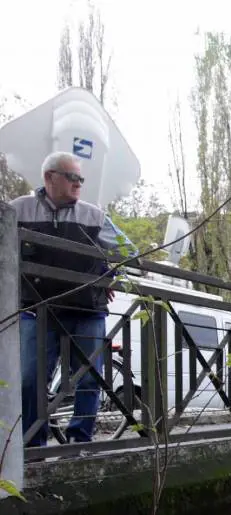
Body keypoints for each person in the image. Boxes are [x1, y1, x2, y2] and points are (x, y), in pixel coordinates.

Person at [10, 151, 133, 446]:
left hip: (86, 308)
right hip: (38, 309)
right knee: (30, 378)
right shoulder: (17, 210)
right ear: (49, 177)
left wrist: (108, 276)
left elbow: (128, 251)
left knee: (89, 378)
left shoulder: (93, 216)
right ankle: (32, 445)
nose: (79, 184)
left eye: (82, 178)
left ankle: (79, 442)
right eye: (73, 177)